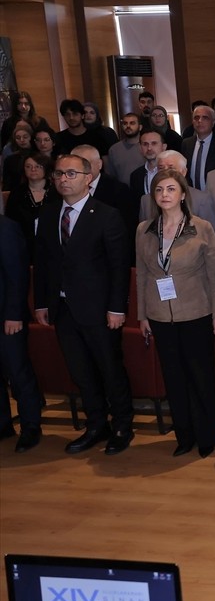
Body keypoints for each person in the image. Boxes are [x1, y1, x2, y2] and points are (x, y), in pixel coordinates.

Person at [33, 154, 134, 455]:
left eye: (71, 173)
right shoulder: (49, 215)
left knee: (109, 369)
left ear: (88, 178)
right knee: (81, 371)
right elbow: (43, 264)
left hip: (99, 310)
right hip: (63, 310)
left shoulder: (106, 215)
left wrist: (117, 308)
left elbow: (119, 267)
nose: (63, 179)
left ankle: (122, 426)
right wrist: (41, 303)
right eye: (59, 174)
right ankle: (96, 425)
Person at [135, 168, 215, 458]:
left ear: (183, 194)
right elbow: (143, 275)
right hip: (160, 316)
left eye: (171, 189)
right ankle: (184, 435)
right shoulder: (144, 229)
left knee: (201, 377)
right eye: (159, 190)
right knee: (173, 378)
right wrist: (143, 314)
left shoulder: (201, 227)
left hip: (196, 313)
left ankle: (207, 435)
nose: (164, 195)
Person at [0, 214, 41, 452]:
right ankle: (3, 424)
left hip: (7, 317)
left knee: (18, 373)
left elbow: (18, 274)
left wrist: (14, 313)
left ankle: (31, 427)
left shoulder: (6, 228)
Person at [4, 152, 55, 256]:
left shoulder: (57, 193)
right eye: (28, 166)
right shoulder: (17, 193)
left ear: (46, 169)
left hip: (51, 243)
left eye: (38, 166)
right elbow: (10, 221)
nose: (33, 169)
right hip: (22, 243)